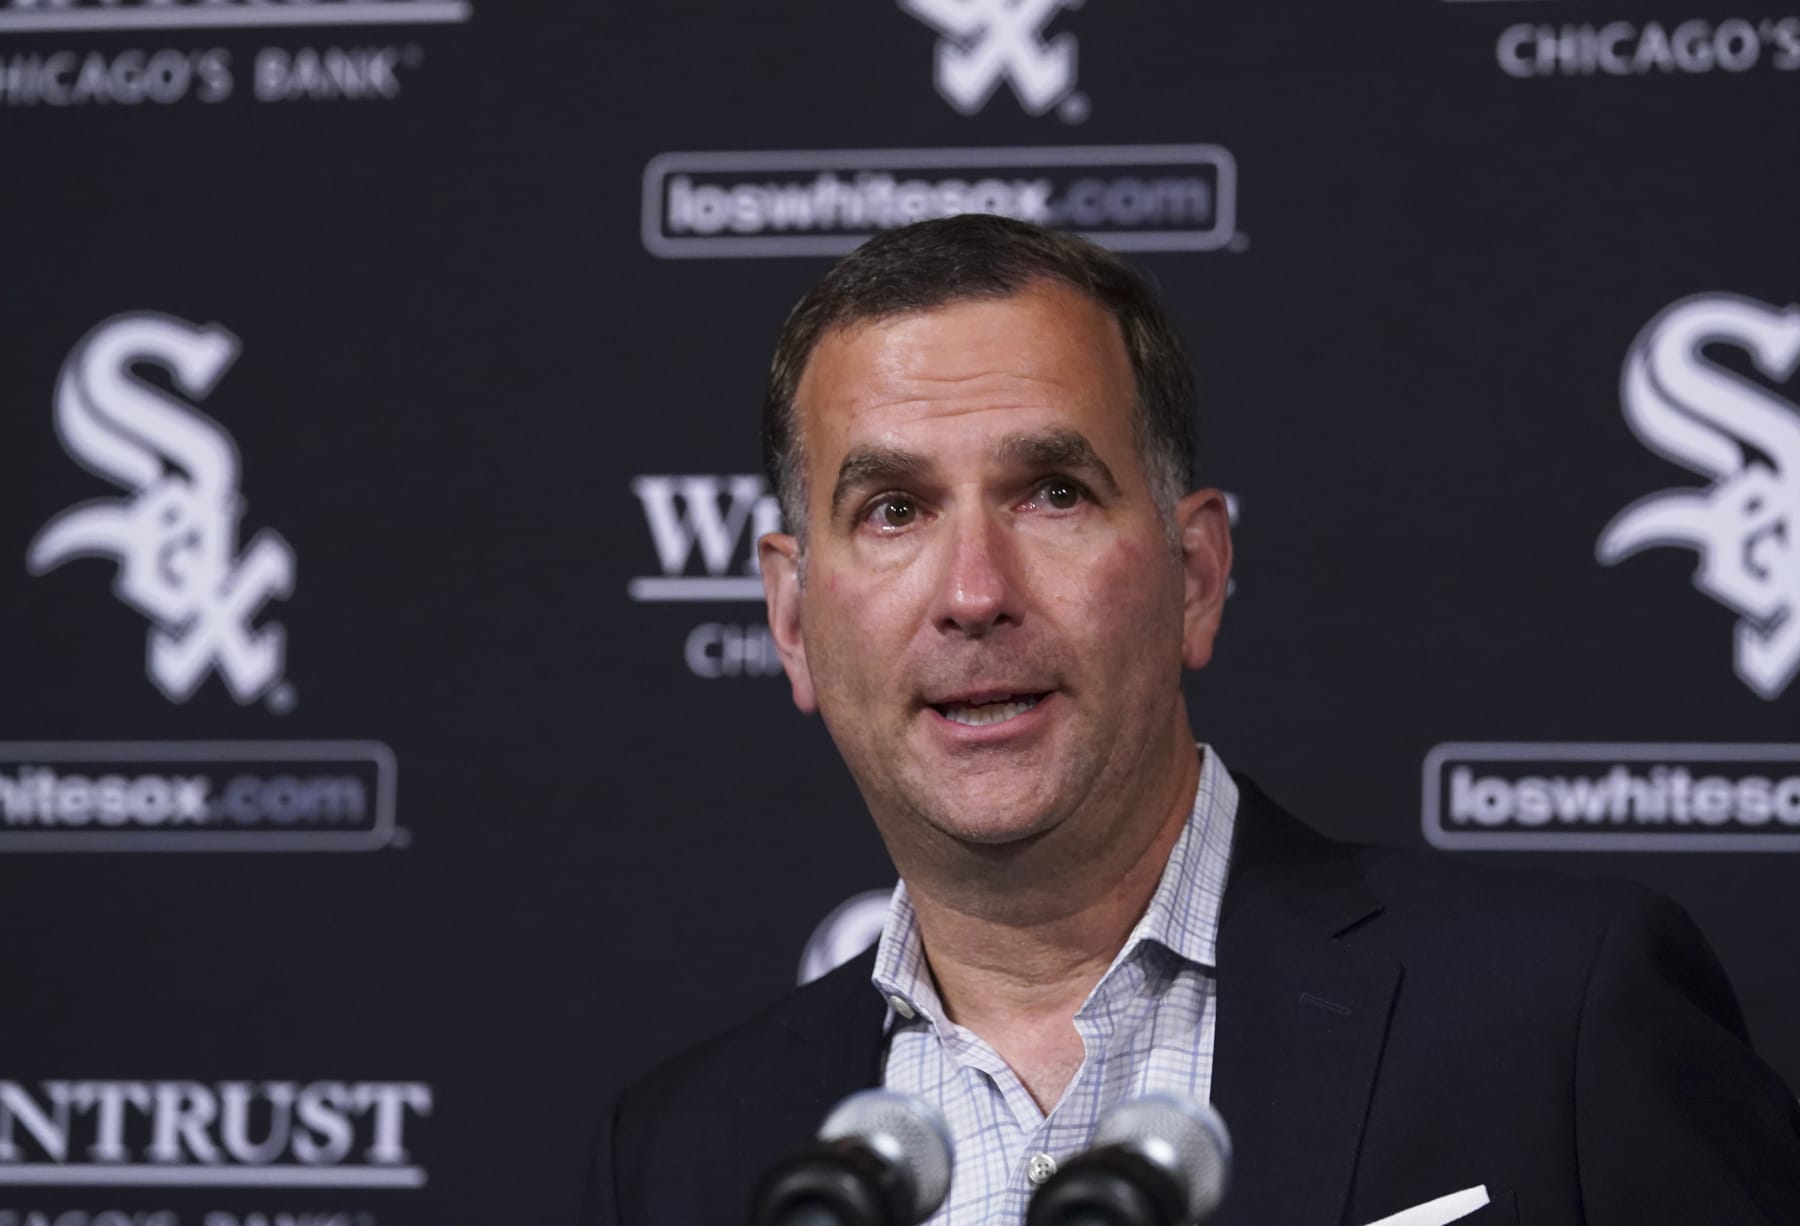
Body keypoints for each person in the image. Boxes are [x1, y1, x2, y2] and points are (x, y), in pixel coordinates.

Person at [583, 215, 1800, 1226]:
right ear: (792, 618)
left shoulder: (1553, 1016)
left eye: (1053, 493)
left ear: (1196, 574)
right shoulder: (686, 1154)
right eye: (894, 509)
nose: (973, 594)